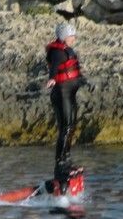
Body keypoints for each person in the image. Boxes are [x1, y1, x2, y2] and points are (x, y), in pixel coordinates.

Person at [45, 23, 84, 195]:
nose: (74, 38)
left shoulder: (68, 49)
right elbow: (54, 67)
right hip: (61, 93)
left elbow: (73, 69)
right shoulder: (57, 52)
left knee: (72, 127)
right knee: (66, 127)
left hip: (70, 92)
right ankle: (60, 163)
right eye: (72, 35)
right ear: (64, 36)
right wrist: (52, 79)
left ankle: (66, 160)